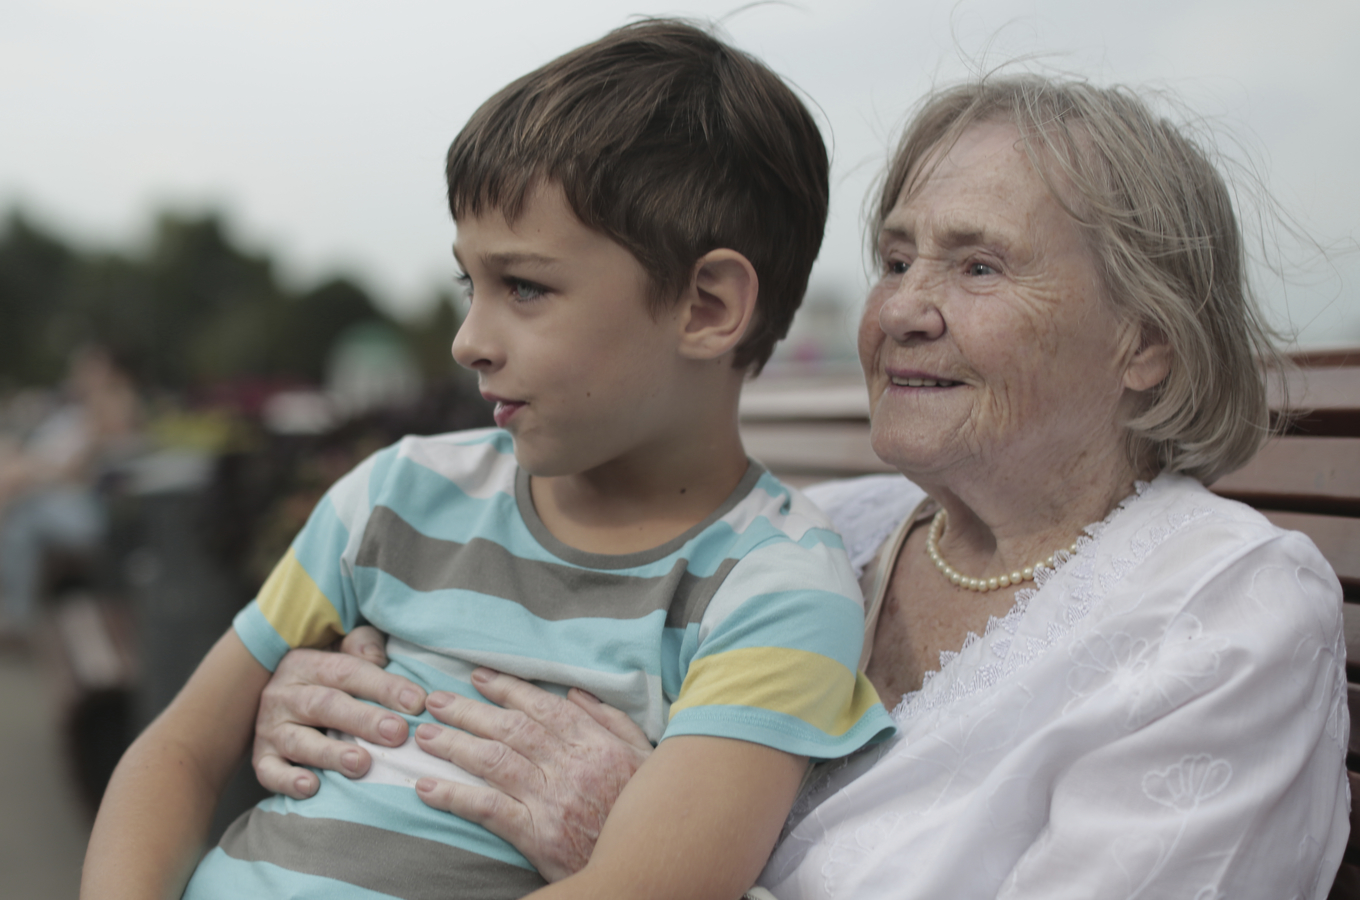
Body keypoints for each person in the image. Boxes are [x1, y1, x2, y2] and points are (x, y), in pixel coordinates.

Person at [249, 75, 1351, 897]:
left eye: (976, 265)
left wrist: (641, 853)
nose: (901, 310)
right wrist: (348, 713)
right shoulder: (828, 537)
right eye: (894, 257)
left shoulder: (1225, 614)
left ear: (1145, 341)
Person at [81, 20, 893, 900]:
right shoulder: (398, 495)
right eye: (471, 285)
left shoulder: (772, 592)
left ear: (706, 305)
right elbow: (176, 751)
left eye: (526, 287)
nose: (470, 340)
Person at [0, 343, 141, 641]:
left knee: (19, 515)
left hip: (99, 515)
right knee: (17, 515)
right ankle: (6, 604)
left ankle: (10, 610)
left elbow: (79, 469)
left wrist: (31, 474)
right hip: (94, 508)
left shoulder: (111, 405)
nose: (81, 375)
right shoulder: (97, 407)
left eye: (90, 368)